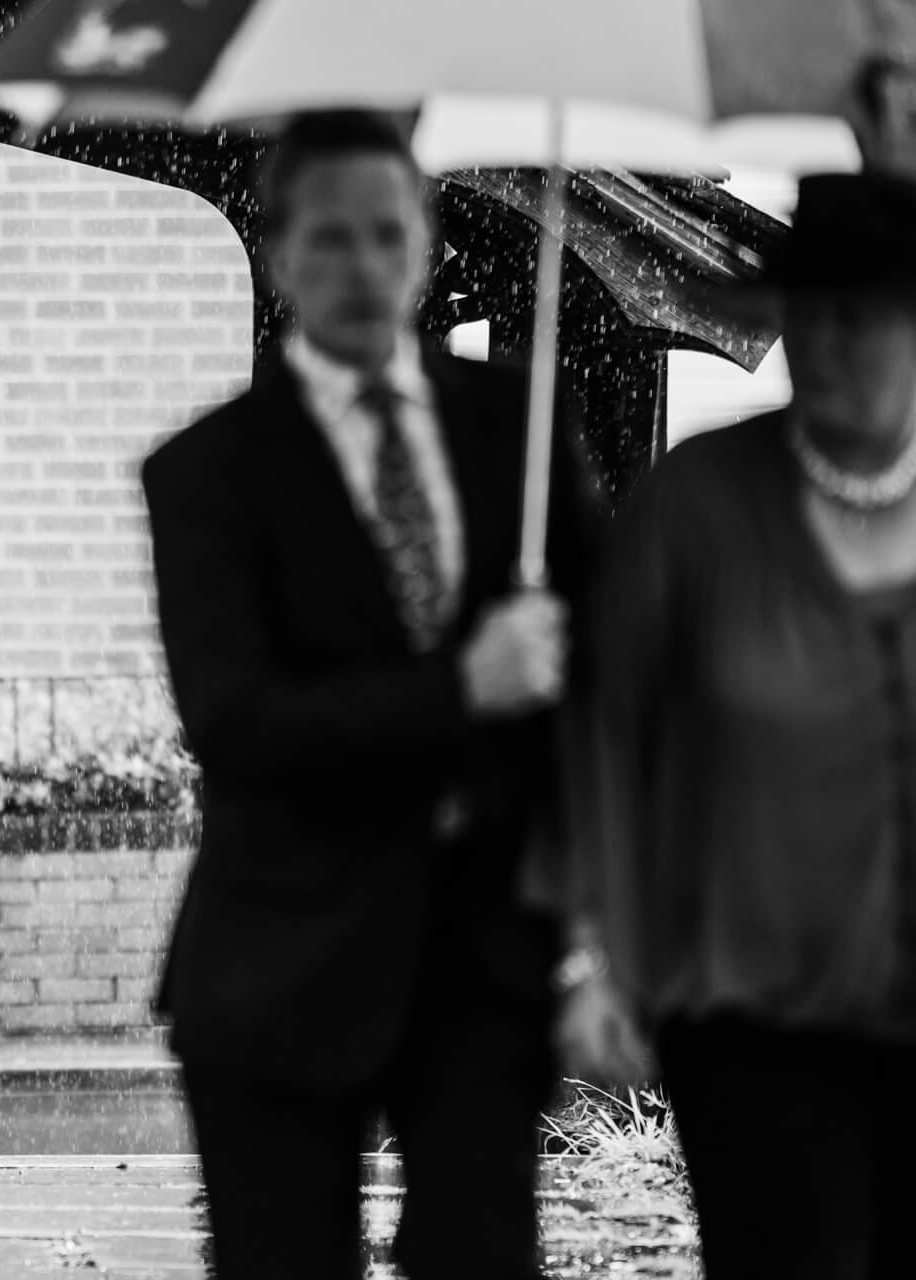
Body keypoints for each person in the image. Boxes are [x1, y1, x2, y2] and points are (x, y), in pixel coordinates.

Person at [141, 110, 599, 1279]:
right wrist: (465, 685)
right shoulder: (210, 471)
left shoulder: (518, 429)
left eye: (387, 235)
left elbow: (602, 676)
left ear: (428, 246)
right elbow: (237, 723)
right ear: (282, 250)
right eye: (330, 238)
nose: (361, 267)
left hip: (479, 961)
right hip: (280, 960)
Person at [558, 171, 916, 1280]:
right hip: (748, 1009)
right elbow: (608, 734)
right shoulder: (697, 505)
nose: (838, 344)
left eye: (869, 316)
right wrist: (594, 955)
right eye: (813, 317)